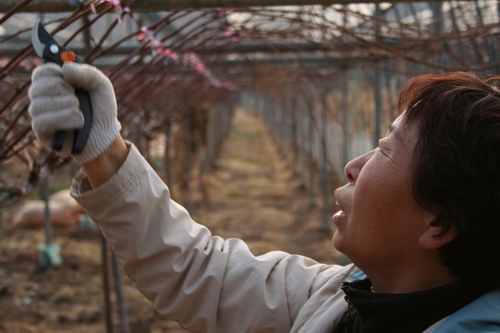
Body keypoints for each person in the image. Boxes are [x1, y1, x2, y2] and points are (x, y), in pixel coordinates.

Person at [28, 62, 500, 333]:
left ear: (437, 223)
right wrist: (103, 148)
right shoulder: (343, 298)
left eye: (384, 150)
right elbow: (199, 272)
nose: (353, 166)